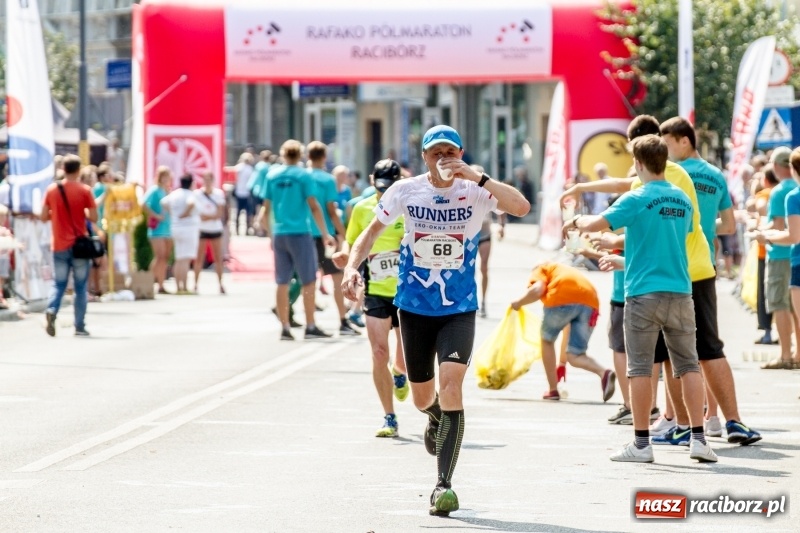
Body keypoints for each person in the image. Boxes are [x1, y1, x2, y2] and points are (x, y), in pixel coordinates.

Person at [341, 125, 530, 516]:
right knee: (424, 396)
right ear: (424, 157)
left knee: (453, 385)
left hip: (458, 308)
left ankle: (443, 485)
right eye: (435, 153)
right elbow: (372, 232)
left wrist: (478, 175)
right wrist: (351, 269)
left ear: (461, 152)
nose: (443, 158)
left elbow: (522, 207)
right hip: (413, 307)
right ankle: (436, 418)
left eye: (450, 151)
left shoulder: (477, 189)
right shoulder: (405, 191)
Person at [562, 115, 761, 447]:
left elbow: (625, 211)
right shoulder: (681, 184)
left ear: (640, 160)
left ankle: (657, 433)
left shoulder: (648, 187)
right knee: (694, 355)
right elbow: (694, 227)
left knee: (657, 361)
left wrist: (581, 218)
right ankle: (707, 425)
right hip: (691, 273)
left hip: (665, 278)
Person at [565, 134, 717, 463]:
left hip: (643, 295)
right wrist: (620, 249)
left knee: (638, 370)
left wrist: (575, 220)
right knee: (689, 366)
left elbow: (595, 223)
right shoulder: (682, 198)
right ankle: (700, 439)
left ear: (638, 163)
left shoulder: (637, 196)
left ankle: (641, 444)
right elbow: (663, 240)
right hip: (680, 291)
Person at [333, 159, 410, 437]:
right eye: (380, 188)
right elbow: (352, 240)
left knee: (406, 356)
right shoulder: (362, 208)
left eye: (389, 188)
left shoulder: (410, 206)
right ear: (371, 180)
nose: (384, 193)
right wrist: (346, 257)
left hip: (408, 291)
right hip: (375, 289)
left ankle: (401, 372)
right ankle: (389, 417)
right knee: (379, 353)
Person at [258, 140, 336, 341]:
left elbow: (264, 211)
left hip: (280, 233)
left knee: (282, 281)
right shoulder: (303, 176)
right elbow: (314, 205)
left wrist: (270, 233)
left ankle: (284, 326)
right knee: (308, 280)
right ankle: (310, 324)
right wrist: (326, 233)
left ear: (283, 154)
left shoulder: (272, 175)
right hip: (300, 231)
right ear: (300, 155)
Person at [510, 262, 617, 402]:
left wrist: (519, 303)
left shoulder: (541, 269)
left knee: (547, 340)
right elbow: (567, 327)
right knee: (575, 355)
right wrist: (562, 363)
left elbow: (537, 290)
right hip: (590, 302)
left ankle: (553, 389)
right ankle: (604, 372)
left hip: (561, 298)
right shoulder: (565, 272)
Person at [752, 147, 800, 369]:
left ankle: (785, 355)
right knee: (793, 310)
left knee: (781, 306)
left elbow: (784, 228)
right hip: (790, 255)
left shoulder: (783, 192)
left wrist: (764, 235)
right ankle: (796, 353)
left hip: (784, 254)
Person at [40, 155, 98, 337]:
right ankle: (79, 326)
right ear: (78, 170)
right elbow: (94, 217)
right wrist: (82, 213)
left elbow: (43, 216)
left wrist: (56, 215)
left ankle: (51, 309)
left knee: (59, 284)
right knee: (80, 287)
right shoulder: (84, 190)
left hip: (59, 244)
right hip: (79, 244)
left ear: (63, 169)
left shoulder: (51, 190)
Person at [307, 141, 360, 336]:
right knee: (337, 277)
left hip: (304, 232)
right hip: (325, 235)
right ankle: (342, 320)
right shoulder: (327, 180)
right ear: (323, 157)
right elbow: (331, 210)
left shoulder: (303, 177)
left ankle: (309, 321)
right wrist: (345, 235)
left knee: (308, 279)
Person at [469, 165, 507, 318]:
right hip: (470, 235)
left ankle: (484, 302)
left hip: (484, 233)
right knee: (468, 270)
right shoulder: (465, 191)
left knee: (484, 268)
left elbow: (502, 208)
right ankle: (471, 301)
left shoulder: (487, 192)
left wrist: (501, 226)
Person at [749, 167, 779, 344]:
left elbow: (759, 207)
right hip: (783, 249)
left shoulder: (766, 194)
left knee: (765, 295)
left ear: (766, 180)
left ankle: (767, 332)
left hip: (766, 250)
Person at [162, 174, 200, 294]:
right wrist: (185, 214)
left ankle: (178, 286)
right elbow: (191, 204)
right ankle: (183, 287)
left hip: (175, 227)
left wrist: (173, 213)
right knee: (185, 259)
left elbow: (163, 203)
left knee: (179, 258)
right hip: (188, 228)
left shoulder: (174, 194)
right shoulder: (190, 194)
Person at [193, 171, 227, 294]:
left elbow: (219, 213)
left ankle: (220, 283)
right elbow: (197, 213)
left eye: (209, 180)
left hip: (215, 229)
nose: (207, 182)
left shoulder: (218, 194)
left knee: (218, 258)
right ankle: (195, 284)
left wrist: (208, 217)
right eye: (205, 179)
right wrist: (210, 216)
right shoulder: (197, 194)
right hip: (201, 229)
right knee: (199, 258)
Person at [142, 166, 173, 294]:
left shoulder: (167, 191)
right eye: (164, 176)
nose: (166, 179)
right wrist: (155, 215)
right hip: (157, 229)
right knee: (159, 256)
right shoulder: (154, 190)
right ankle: (148, 281)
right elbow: (143, 204)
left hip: (167, 228)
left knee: (165, 257)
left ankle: (161, 284)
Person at [233, 152, 255, 235]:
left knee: (238, 211)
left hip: (239, 191)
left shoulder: (238, 168)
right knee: (247, 212)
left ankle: (237, 229)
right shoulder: (250, 169)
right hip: (247, 192)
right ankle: (247, 229)